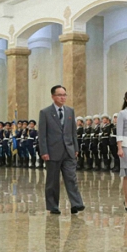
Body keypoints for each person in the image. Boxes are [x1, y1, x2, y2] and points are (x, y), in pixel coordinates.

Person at [38, 85, 85, 215]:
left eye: (64, 94)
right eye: (60, 95)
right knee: (53, 181)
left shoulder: (70, 111)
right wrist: (44, 151)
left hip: (68, 150)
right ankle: (53, 206)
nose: (63, 97)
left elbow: (73, 132)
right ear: (53, 96)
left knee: (71, 178)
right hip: (52, 151)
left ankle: (76, 204)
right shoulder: (45, 112)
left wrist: (75, 148)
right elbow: (42, 135)